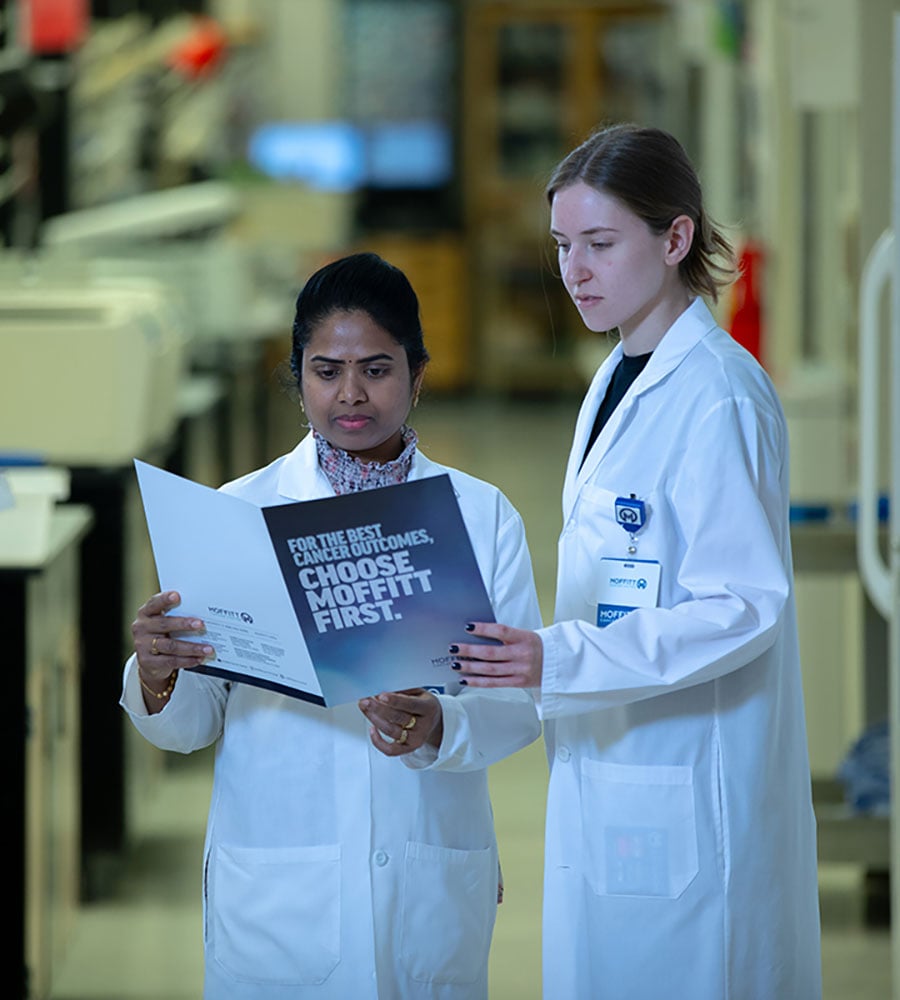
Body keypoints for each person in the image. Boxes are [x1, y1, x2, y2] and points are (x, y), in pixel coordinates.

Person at [446, 123, 823, 999]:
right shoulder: (619, 372)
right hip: (619, 769)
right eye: (563, 246)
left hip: (690, 790)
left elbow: (743, 604)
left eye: (601, 244)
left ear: (675, 237)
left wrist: (562, 657)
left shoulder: (719, 395)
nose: (574, 270)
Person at [121, 252, 542, 999]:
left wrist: (438, 724)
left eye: (378, 369)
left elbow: (517, 706)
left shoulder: (481, 516)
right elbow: (189, 727)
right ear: (297, 378)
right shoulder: (238, 513)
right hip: (279, 884)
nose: (351, 394)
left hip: (426, 874)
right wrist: (159, 674)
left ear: (418, 375)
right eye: (326, 370)